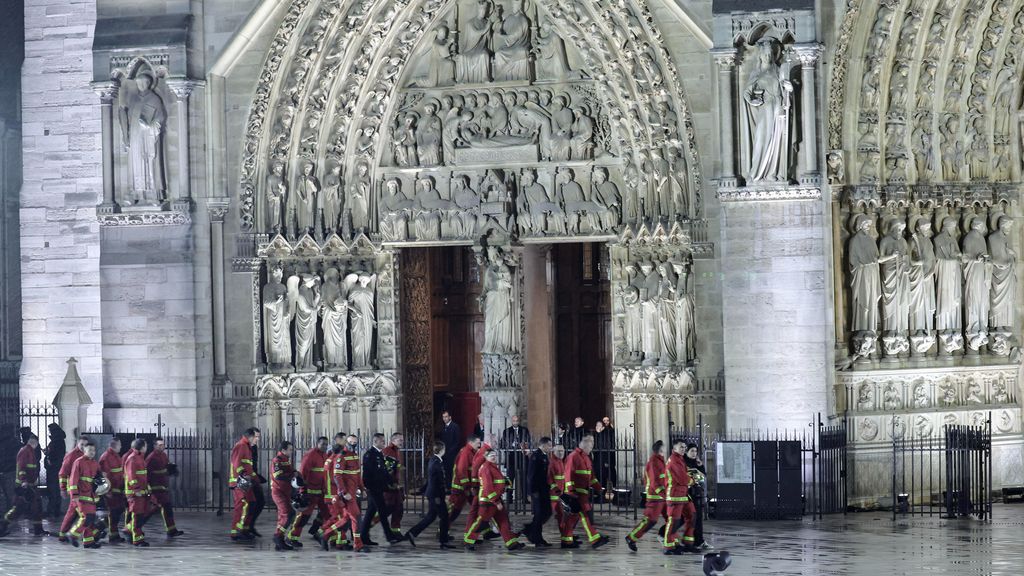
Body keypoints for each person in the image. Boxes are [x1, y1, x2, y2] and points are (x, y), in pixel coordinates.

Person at [464, 449, 525, 551]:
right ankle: (468, 541)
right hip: (488, 501)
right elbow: (488, 487)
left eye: (494, 455)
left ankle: (511, 543)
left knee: (503, 521)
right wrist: (496, 501)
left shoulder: (493, 467)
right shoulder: (486, 468)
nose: (493, 457)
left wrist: (505, 483)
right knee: (481, 523)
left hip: (495, 500)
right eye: (491, 455)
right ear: (486, 457)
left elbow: (498, 481)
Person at [559, 434, 610, 549]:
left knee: (574, 516)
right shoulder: (573, 456)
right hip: (576, 493)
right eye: (590, 444)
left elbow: (591, 477)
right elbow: (568, 474)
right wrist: (571, 491)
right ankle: (594, 538)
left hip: (582, 493)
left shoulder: (586, 457)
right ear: (585, 444)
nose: (592, 446)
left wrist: (599, 488)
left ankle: (566, 540)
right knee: (584, 515)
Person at [320, 433, 368, 552]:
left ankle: (325, 535)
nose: (353, 444)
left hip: (353, 492)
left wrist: (363, 489)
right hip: (346, 494)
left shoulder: (355, 456)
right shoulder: (341, 456)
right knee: (356, 517)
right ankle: (358, 545)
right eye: (350, 442)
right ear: (346, 443)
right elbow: (337, 476)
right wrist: (343, 492)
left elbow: (357, 475)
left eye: (355, 442)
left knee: (346, 518)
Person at [406, 441, 455, 549]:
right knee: (445, 517)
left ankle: (412, 533)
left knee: (431, 517)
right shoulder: (436, 463)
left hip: (434, 494)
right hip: (436, 495)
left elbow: (431, 479)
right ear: (442, 450)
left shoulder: (435, 460)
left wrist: (422, 490)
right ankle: (444, 542)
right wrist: (439, 495)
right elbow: (434, 481)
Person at [360, 433, 405, 545]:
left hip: (379, 488)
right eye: (382, 441)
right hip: (373, 488)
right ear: (375, 442)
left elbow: (384, 472)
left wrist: (390, 483)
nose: (384, 443)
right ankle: (389, 536)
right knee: (382, 512)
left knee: (371, 513)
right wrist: (368, 488)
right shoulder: (369, 455)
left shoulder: (379, 454)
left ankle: (363, 536)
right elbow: (368, 474)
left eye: (384, 441)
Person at [0, 433, 47, 537]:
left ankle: (38, 530)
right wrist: (24, 481)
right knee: (18, 509)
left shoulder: (30, 451)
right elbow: (21, 467)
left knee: (37, 507)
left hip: (30, 485)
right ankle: (2, 526)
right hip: (24, 486)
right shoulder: (25, 451)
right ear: (34, 442)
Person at [626, 441, 667, 551]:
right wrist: (663, 494)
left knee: (673, 519)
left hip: (662, 497)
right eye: (664, 448)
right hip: (655, 497)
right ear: (661, 450)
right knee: (650, 520)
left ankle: (670, 541)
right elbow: (654, 482)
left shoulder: (661, 461)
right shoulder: (654, 462)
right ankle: (631, 537)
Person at [289, 436, 329, 545]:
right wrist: (303, 491)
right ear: (317, 444)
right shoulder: (310, 455)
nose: (325, 446)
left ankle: (325, 535)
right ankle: (292, 537)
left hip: (322, 492)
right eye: (323, 444)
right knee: (304, 517)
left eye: (326, 444)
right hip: (310, 492)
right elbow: (302, 474)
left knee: (329, 515)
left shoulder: (325, 455)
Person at [663, 440, 698, 555]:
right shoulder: (674, 460)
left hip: (683, 494)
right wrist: (693, 480)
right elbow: (683, 478)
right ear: (674, 449)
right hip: (675, 495)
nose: (683, 449)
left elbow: (685, 474)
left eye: (684, 447)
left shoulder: (680, 459)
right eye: (681, 447)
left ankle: (688, 543)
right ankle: (669, 546)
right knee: (674, 521)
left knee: (692, 515)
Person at [68, 440, 102, 549]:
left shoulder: (95, 464)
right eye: (90, 450)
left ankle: (88, 542)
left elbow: (98, 479)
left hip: (91, 496)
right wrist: (75, 495)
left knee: (90, 519)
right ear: (84, 451)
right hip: (81, 495)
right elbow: (73, 479)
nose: (92, 452)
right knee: (86, 517)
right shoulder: (79, 462)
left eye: (93, 450)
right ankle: (73, 534)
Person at [146, 438, 183, 537]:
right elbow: (147, 473)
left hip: (163, 487)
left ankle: (171, 530)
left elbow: (166, 467)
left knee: (166, 508)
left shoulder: (164, 455)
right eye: (160, 445)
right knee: (151, 510)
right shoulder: (151, 457)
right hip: (155, 487)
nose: (162, 446)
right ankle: (130, 528)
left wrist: (172, 469)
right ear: (155, 446)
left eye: (163, 445)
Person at [521, 436, 553, 546]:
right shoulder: (536, 456)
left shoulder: (544, 456)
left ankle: (530, 529)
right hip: (537, 490)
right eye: (549, 445)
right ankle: (537, 538)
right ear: (543, 445)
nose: (550, 447)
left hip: (544, 489)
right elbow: (531, 475)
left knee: (546, 512)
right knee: (539, 514)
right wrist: (531, 492)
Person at [229, 428, 259, 541]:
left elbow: (248, 466)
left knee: (251, 503)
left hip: (246, 482)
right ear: (250, 436)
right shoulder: (241, 446)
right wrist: (243, 474)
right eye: (256, 437)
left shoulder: (247, 447)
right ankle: (236, 531)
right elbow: (237, 463)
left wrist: (255, 478)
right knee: (242, 506)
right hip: (240, 482)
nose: (257, 439)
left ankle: (244, 529)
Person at [56, 435, 88, 542]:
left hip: (83, 489)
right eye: (81, 444)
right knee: (85, 513)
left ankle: (63, 533)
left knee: (72, 512)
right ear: (77, 443)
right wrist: (63, 488)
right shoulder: (71, 456)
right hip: (74, 489)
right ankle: (76, 534)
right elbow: (62, 473)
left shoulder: (87, 455)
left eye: (85, 445)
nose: (83, 447)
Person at [124, 438, 154, 546]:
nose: (147, 448)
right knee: (137, 515)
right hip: (135, 493)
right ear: (142, 447)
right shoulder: (132, 459)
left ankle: (129, 529)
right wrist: (136, 489)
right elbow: (131, 476)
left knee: (142, 514)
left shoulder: (140, 458)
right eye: (145, 446)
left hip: (142, 492)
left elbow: (142, 476)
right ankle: (137, 539)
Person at [446, 435, 480, 529]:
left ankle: (485, 531)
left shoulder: (472, 452)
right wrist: (466, 487)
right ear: (471, 443)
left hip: (467, 487)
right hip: (460, 487)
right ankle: (443, 530)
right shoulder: (466, 452)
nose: (479, 445)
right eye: (477, 443)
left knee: (477, 507)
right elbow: (461, 470)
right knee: (454, 509)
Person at [270, 440, 297, 551]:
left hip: (285, 491)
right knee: (288, 514)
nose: (292, 451)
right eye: (290, 449)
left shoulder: (286, 460)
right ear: (283, 450)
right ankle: (278, 536)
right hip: (278, 491)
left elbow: (290, 471)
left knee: (284, 515)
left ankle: (279, 540)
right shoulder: (277, 460)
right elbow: (278, 476)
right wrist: (292, 475)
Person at [98, 437, 126, 543]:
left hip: (117, 490)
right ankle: (107, 532)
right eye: (120, 445)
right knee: (114, 512)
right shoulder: (106, 457)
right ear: (115, 445)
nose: (121, 447)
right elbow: (104, 476)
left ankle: (108, 531)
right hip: (111, 491)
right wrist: (107, 491)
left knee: (117, 511)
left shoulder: (116, 456)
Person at [500, 415, 531, 502]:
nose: (515, 422)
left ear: (519, 421)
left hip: (522, 458)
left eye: (517, 421)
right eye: (514, 421)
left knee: (523, 479)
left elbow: (529, 442)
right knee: (510, 479)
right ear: (511, 421)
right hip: (511, 458)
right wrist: (511, 445)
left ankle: (525, 498)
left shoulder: (524, 430)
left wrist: (524, 446)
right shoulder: (507, 431)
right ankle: (509, 498)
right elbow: (502, 445)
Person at [684, 443, 708, 549]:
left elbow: (702, 477)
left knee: (697, 518)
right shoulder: (683, 462)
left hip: (696, 494)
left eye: (695, 451)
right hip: (686, 494)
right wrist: (697, 475)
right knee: (681, 519)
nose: (694, 453)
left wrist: (699, 468)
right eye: (691, 451)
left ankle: (698, 540)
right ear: (687, 451)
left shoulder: (697, 463)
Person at [381, 433, 405, 539]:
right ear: (393, 440)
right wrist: (391, 484)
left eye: (402, 440)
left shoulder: (396, 451)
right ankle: (366, 527)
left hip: (396, 486)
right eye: (400, 440)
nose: (402, 442)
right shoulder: (388, 451)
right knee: (386, 509)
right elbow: (386, 470)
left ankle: (396, 531)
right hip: (389, 487)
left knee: (398, 508)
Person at [246, 430, 267, 537]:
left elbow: (253, 464)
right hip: (248, 479)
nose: (258, 439)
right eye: (256, 437)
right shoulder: (244, 447)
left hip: (253, 477)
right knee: (252, 503)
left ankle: (250, 525)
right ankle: (247, 527)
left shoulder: (253, 447)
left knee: (259, 502)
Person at [547, 444, 566, 529]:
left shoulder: (560, 461)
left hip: (559, 492)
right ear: (554, 452)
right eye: (559, 451)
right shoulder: (552, 462)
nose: (561, 453)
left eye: (562, 451)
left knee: (560, 513)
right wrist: (555, 489)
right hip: (554, 494)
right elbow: (550, 478)